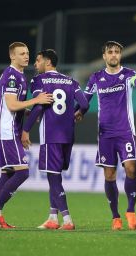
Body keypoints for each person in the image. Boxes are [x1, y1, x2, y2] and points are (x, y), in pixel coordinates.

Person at [77, 41, 136, 231]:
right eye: (110, 52)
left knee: (130, 169)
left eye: (117, 52)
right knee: (109, 174)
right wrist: (78, 111)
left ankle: (130, 211)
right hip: (105, 134)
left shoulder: (127, 74)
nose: (114, 55)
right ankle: (115, 217)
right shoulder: (96, 78)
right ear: (104, 56)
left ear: (120, 55)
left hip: (125, 132)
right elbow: (85, 100)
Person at [0, 42, 53, 228]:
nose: (26, 56)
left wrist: (29, 111)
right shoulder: (12, 76)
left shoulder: (20, 76)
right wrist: (37, 100)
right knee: (22, 172)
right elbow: (11, 105)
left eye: (27, 53)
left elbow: (14, 106)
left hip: (9, 130)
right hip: (6, 131)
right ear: (12, 57)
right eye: (21, 53)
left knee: (8, 173)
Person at [21, 49, 89, 230]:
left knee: (53, 177)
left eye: (37, 60)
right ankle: (52, 218)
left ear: (48, 61)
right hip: (68, 135)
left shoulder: (38, 80)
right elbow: (84, 104)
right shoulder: (71, 81)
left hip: (50, 135)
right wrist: (77, 113)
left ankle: (67, 220)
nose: (34, 64)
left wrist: (26, 130)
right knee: (55, 175)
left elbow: (38, 105)